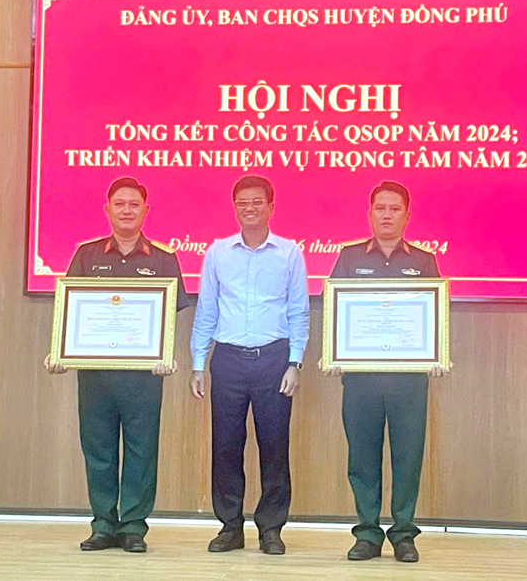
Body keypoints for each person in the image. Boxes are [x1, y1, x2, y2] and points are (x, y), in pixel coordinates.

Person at [44, 177, 189, 553]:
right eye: (120, 204)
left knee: (142, 451)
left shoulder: (163, 258)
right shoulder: (87, 255)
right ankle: (103, 525)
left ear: (146, 210)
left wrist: (164, 354)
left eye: (134, 204)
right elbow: (71, 310)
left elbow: (168, 316)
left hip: (144, 377)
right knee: (99, 450)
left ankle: (134, 528)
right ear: (107, 210)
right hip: (96, 375)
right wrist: (59, 351)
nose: (127, 210)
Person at [324, 180, 448, 564]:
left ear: (407, 216)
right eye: (381, 208)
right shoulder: (349, 257)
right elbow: (334, 310)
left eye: (395, 209)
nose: (387, 215)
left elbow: (435, 314)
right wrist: (334, 352)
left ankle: (404, 534)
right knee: (362, 458)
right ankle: (367, 534)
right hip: (360, 380)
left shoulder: (423, 261)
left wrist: (436, 355)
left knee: (407, 457)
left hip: (409, 380)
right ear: (370, 214)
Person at [189, 175, 310, 556]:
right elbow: (206, 311)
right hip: (227, 360)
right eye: (242, 202)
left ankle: (271, 529)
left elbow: (299, 312)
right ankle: (230, 527)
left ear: (271, 207)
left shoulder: (289, 253)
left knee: (274, 447)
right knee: (225, 446)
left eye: (257, 201)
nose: (249, 208)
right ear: (234, 208)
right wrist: (198, 364)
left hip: (274, 359)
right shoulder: (218, 253)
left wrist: (295, 363)